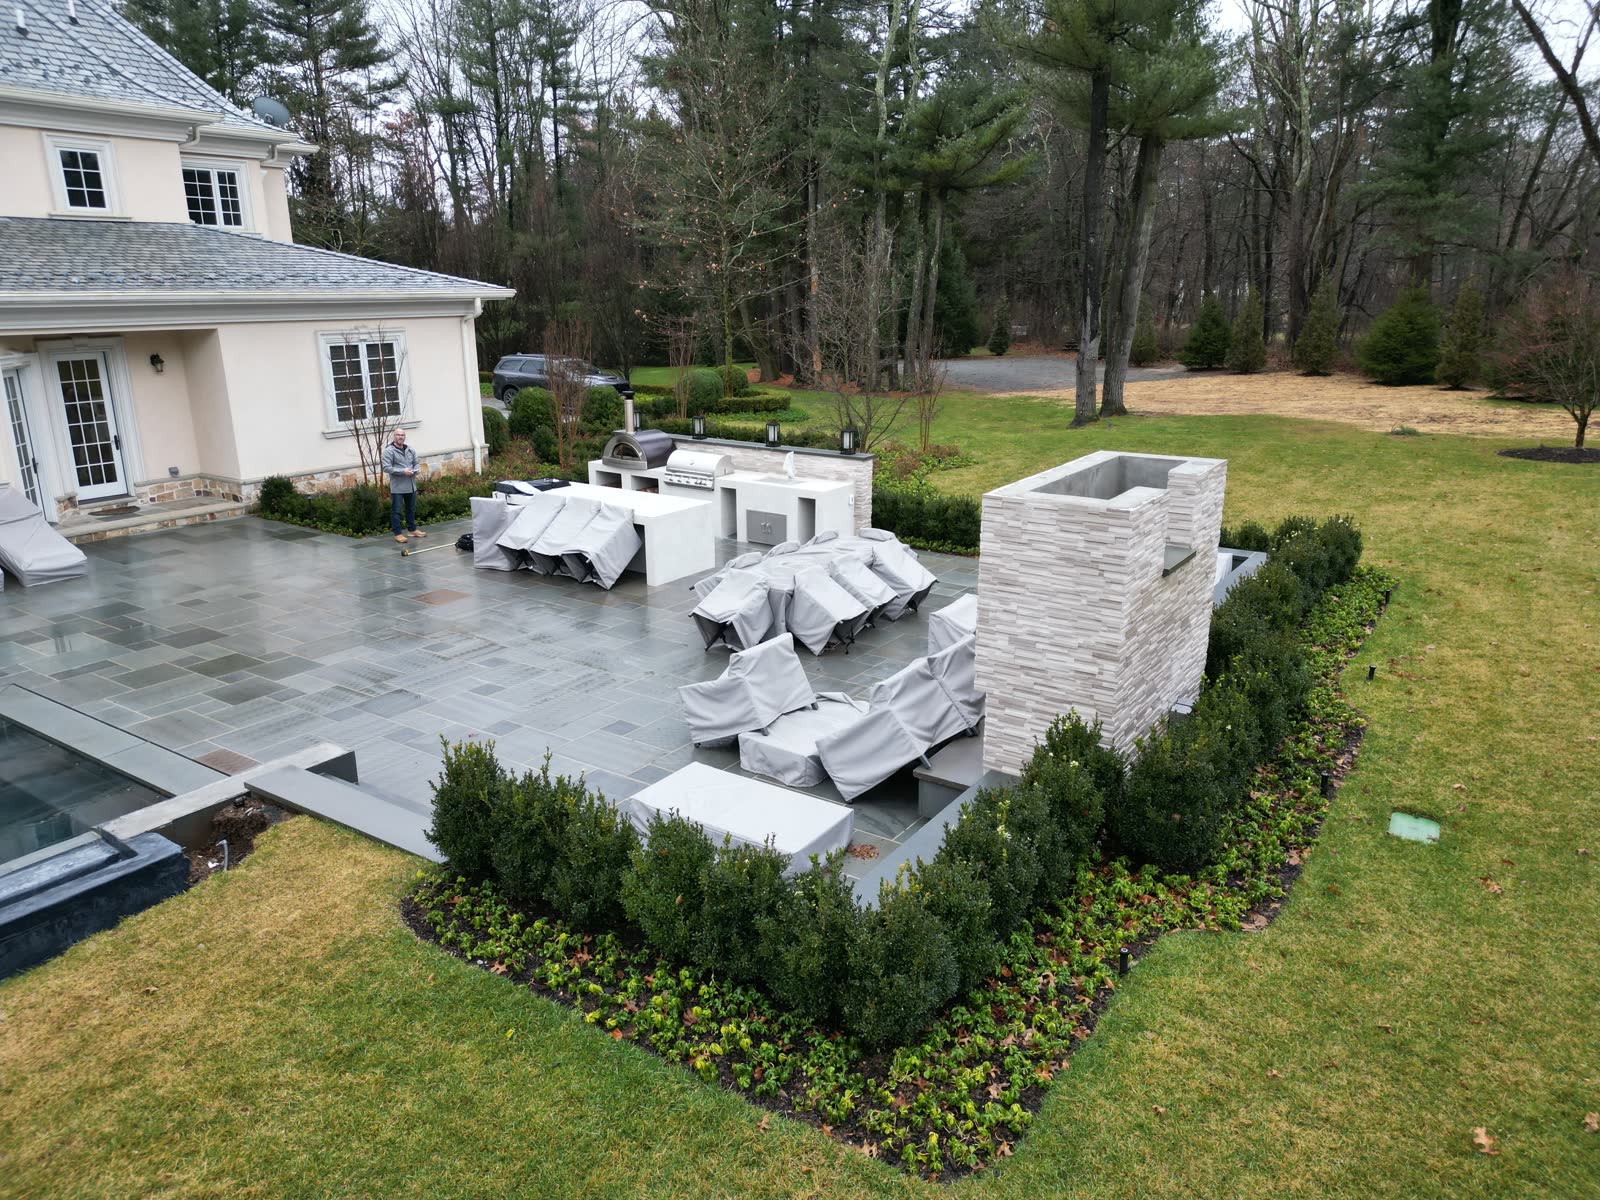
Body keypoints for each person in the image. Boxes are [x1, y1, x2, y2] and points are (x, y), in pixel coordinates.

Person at [383, 428, 425, 543]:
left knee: (411, 509)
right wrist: (402, 471)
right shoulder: (389, 450)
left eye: (402, 435)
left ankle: (412, 530)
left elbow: (416, 463)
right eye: (398, 435)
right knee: (396, 511)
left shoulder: (410, 449)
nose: (400, 437)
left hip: (411, 485)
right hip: (398, 487)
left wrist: (417, 469)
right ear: (394, 437)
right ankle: (397, 534)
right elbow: (386, 467)